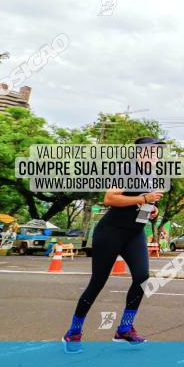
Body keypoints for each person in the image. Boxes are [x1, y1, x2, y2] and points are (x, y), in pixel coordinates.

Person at [61, 136, 164, 353]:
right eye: (152, 150)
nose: (156, 155)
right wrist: (144, 199)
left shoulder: (153, 175)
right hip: (111, 233)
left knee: (142, 277)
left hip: (135, 234)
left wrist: (153, 210)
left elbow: (145, 203)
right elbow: (110, 198)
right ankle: (73, 332)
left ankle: (124, 329)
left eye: (158, 151)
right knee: (98, 282)